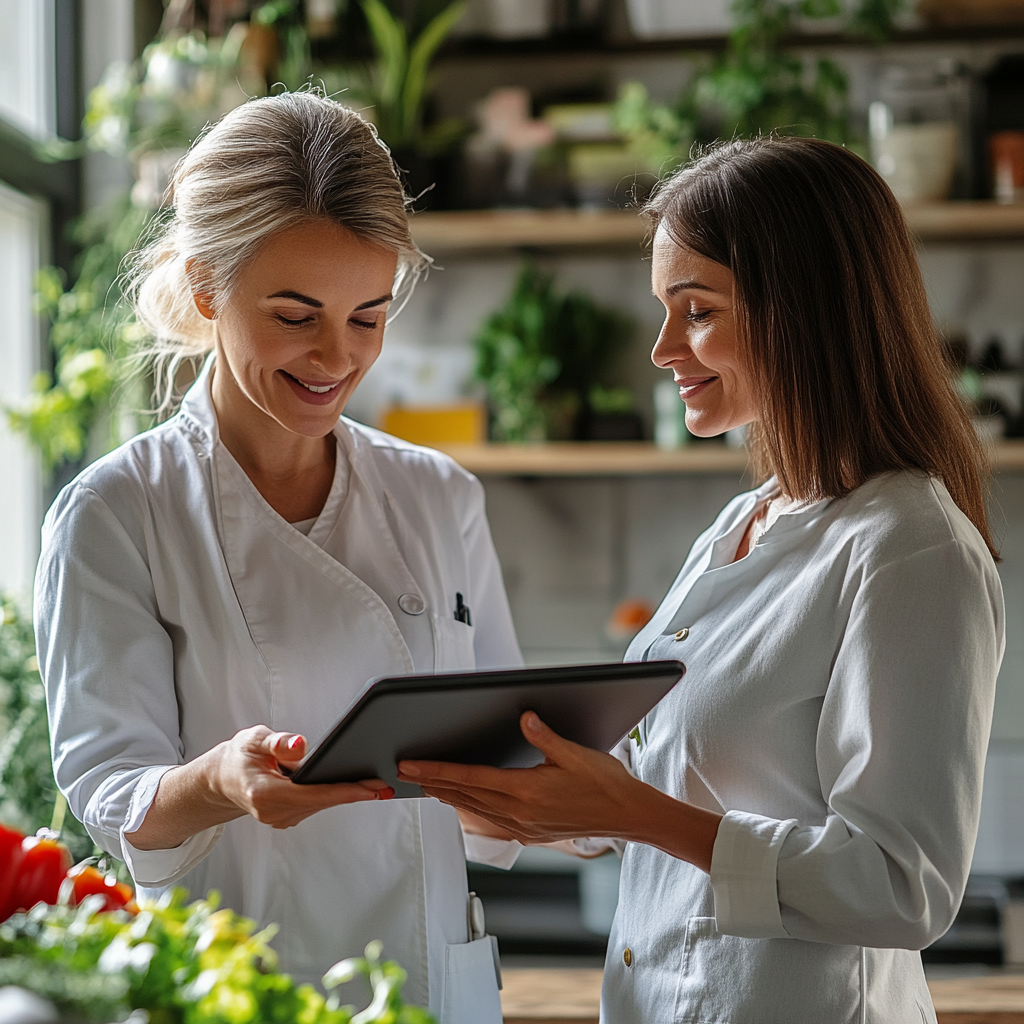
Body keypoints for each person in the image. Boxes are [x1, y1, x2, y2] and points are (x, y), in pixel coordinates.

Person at [399, 136, 1005, 1023]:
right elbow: (676, 780)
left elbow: (903, 887)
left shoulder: (909, 547)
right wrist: (541, 805)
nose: (661, 349)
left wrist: (639, 814)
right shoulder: (743, 523)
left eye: (696, 311)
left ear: (804, 311)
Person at [34, 91, 519, 1022]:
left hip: (430, 981)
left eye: (368, 318)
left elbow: (498, 758)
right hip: (241, 981)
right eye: (296, 316)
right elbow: (108, 791)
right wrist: (219, 781)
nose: (336, 358)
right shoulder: (117, 511)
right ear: (209, 286)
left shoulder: (439, 496)